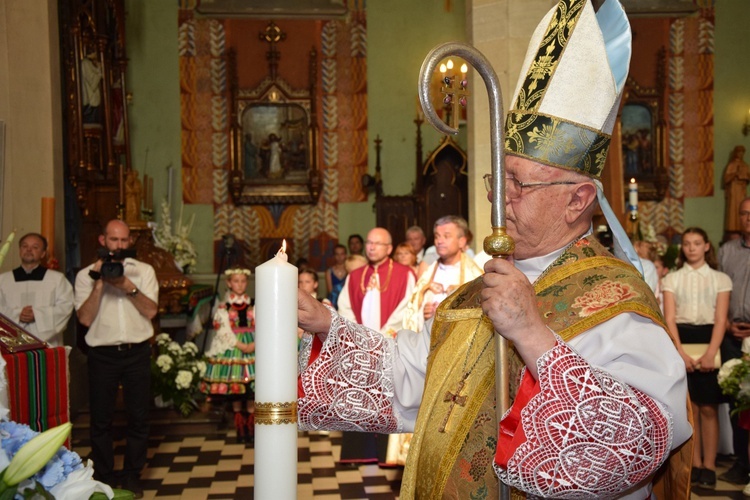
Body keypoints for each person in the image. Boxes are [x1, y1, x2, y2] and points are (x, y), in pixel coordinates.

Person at [294, 1, 691, 497]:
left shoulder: (616, 303)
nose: (497, 197)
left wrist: (532, 333)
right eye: (497, 179)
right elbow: (409, 378)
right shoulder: (473, 296)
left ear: (577, 200)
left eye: (519, 185)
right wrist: (325, 326)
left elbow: (639, 443)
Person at [74, 219, 159, 497]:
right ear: (103, 241)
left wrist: (126, 285)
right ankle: (105, 476)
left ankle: (133, 475)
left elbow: (151, 312)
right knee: (100, 420)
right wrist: (100, 283)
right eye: (114, 240)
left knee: (139, 417)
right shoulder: (86, 274)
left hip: (137, 352)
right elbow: (84, 319)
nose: (119, 246)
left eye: (124, 241)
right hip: (102, 354)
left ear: (129, 241)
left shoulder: (144, 271)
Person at [336, 227, 416, 465]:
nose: (371, 247)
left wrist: (382, 337)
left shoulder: (405, 274)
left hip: (389, 345)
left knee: (387, 400)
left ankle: (385, 453)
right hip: (359, 348)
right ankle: (358, 452)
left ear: (389, 248)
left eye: (377, 243)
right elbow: (346, 308)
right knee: (357, 400)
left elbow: (407, 308)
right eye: (369, 242)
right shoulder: (355, 275)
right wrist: (358, 337)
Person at [662, 227, 730, 489]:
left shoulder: (720, 279)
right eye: (687, 243)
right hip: (682, 341)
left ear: (706, 246)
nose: (691, 248)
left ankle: (709, 465)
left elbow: (721, 319)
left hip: (710, 341)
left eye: (697, 243)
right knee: (690, 409)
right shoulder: (672, 279)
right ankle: (696, 462)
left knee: (709, 408)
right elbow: (669, 318)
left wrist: (711, 352)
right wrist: (681, 353)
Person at [201, 267, 256, 444]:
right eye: (236, 281)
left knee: (252, 389)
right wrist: (240, 345)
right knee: (236, 386)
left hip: (253, 344)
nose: (240, 284)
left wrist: (253, 344)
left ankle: (252, 425)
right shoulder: (223, 307)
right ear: (229, 283)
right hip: (233, 347)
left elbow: (263, 324)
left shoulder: (254, 304)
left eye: (243, 281)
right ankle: (240, 425)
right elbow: (223, 330)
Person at [717, 196, 750, 486]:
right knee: (735, 400)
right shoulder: (727, 251)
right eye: (744, 213)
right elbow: (719, 292)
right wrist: (727, 322)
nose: (748, 218)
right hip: (730, 334)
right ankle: (742, 461)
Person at [404, 215, 483, 333]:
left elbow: (480, 315)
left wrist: (445, 313)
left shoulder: (474, 276)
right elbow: (412, 312)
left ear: (462, 241)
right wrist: (424, 313)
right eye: (437, 236)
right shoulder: (427, 274)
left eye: (446, 236)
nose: (439, 241)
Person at [0, 233, 74, 346]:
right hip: (11, 344)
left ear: (43, 253)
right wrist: (17, 314)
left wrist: (37, 314)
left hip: (48, 344)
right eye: (24, 246)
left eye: (35, 247)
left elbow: (65, 307)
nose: (29, 250)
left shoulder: (57, 279)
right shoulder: (3, 280)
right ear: (20, 250)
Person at [723, 146, 750, 233]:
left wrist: (744, 177)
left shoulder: (745, 165)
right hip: (734, 190)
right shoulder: (731, 165)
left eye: (742, 152)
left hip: (742, 190)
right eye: (739, 152)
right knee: (733, 210)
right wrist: (735, 174)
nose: (740, 154)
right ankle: (733, 229)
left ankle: (742, 227)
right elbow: (726, 178)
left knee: (743, 207)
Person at [324, 244, 348, 309]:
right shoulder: (329, 271)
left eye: (342, 254)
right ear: (334, 256)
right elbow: (330, 291)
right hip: (333, 301)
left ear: (346, 255)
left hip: (347, 301)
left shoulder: (349, 270)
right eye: (337, 254)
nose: (339, 257)